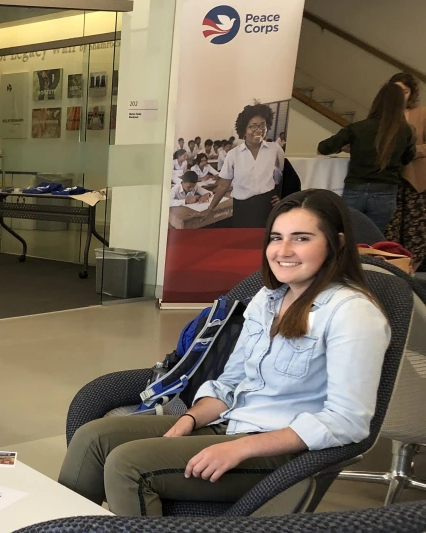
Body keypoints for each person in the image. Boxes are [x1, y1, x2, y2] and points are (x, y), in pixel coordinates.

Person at [60, 188, 390, 516]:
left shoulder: (353, 313)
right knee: (94, 438)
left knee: (126, 465)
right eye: (276, 238)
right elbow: (231, 382)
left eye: (301, 238)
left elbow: (347, 422)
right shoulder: (268, 299)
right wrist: (191, 417)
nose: (283, 250)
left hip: (282, 451)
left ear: (338, 244)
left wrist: (242, 447)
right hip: (231, 423)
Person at [318, 82, 416, 232]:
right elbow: (407, 158)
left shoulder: (358, 128)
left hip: (355, 188)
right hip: (385, 191)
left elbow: (323, 148)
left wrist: (349, 148)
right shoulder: (405, 131)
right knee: (374, 240)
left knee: (349, 237)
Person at [207, 103, 285, 228]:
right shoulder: (233, 154)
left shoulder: (275, 150)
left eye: (262, 125)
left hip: (268, 204)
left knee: (264, 241)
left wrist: (283, 198)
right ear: (244, 129)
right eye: (253, 126)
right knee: (243, 240)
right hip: (243, 206)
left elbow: (284, 176)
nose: (258, 130)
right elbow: (223, 184)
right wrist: (210, 208)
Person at [386, 73, 426, 270]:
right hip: (389, 178)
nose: (400, 95)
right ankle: (392, 268)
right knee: (390, 228)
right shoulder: (384, 114)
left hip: (415, 180)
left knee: (414, 229)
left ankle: (412, 269)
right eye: (396, 90)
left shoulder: (422, 113)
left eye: (405, 91)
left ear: (412, 93)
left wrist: (410, 150)